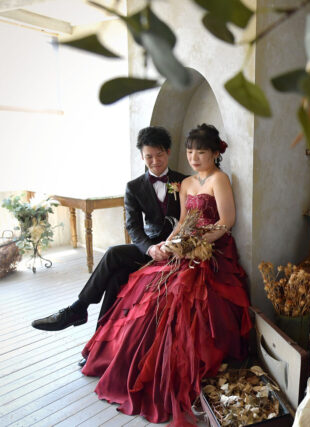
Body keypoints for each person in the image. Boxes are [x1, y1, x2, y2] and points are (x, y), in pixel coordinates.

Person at [80, 124, 252, 426]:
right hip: (186, 247)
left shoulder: (220, 179)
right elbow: (183, 221)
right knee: (147, 286)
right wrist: (171, 244)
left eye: (201, 151)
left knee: (186, 296)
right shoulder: (185, 183)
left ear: (215, 153)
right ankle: (122, 357)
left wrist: (195, 244)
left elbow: (226, 221)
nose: (195, 157)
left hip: (213, 250)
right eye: (190, 151)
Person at [31, 127, 188, 338]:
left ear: (168, 152)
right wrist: (149, 248)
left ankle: (79, 309)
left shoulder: (184, 181)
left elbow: (189, 219)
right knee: (115, 276)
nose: (155, 161)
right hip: (148, 249)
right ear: (141, 156)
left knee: (114, 257)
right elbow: (133, 226)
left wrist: (173, 245)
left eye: (159, 155)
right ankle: (97, 343)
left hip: (175, 250)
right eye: (148, 156)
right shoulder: (134, 187)